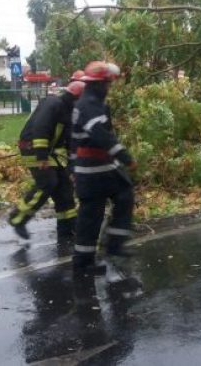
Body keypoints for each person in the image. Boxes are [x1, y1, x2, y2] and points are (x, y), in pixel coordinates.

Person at [72, 61, 137, 275]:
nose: (109, 88)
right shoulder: (89, 104)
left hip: (98, 167)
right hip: (94, 170)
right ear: (99, 84)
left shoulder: (90, 103)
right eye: (107, 84)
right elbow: (101, 135)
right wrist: (124, 156)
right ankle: (95, 255)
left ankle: (105, 249)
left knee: (118, 197)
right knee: (94, 213)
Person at [8, 80, 86, 240]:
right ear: (76, 97)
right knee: (48, 183)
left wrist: (72, 169)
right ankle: (18, 218)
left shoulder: (70, 112)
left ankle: (67, 229)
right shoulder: (53, 103)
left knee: (64, 187)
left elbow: (71, 143)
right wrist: (42, 156)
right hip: (33, 148)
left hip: (50, 152)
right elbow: (40, 128)